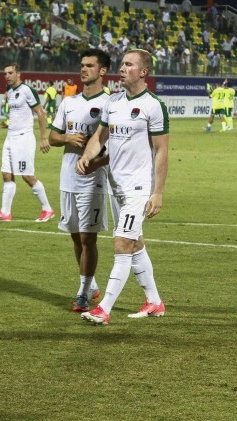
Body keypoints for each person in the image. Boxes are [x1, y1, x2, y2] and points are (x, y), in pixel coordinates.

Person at [77, 49, 169, 325]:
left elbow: (162, 151)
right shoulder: (114, 102)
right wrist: (86, 156)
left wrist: (158, 192)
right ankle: (154, 302)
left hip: (139, 188)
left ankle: (103, 309)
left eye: (129, 64)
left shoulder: (153, 105)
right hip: (116, 187)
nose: (122, 68)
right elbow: (100, 136)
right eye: (122, 64)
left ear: (143, 72)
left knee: (121, 244)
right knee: (135, 243)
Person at [48, 48, 110, 312]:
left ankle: (83, 292)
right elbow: (52, 137)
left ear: (102, 71)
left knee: (88, 238)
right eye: (82, 65)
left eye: (89, 66)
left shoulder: (111, 103)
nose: (83, 69)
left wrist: (95, 162)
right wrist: (68, 138)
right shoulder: (69, 103)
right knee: (75, 235)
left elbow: (115, 146)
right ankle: (91, 284)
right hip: (68, 177)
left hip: (92, 180)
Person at [0, 63, 54, 222]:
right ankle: (5, 212)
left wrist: (43, 137)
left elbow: (40, 113)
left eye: (10, 73)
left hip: (24, 138)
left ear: (18, 74)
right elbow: (17, 113)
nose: (7, 76)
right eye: (5, 74)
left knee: (27, 176)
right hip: (10, 137)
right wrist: (9, 124)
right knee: (7, 174)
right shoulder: (10, 92)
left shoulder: (27, 90)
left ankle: (47, 209)